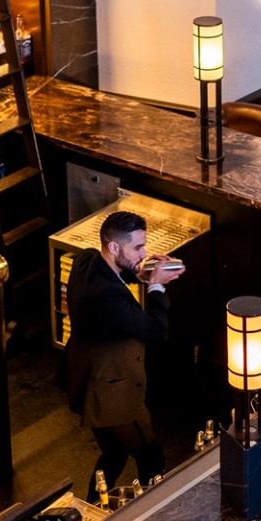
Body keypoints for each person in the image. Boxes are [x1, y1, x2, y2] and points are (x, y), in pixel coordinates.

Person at [63, 210, 186, 500]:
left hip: (85, 376)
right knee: (150, 455)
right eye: (138, 248)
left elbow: (114, 277)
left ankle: (93, 505)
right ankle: (153, 507)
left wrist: (140, 272)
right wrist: (156, 285)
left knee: (115, 451)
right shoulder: (108, 299)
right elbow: (156, 330)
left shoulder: (87, 259)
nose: (143, 253)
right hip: (110, 390)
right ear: (114, 247)